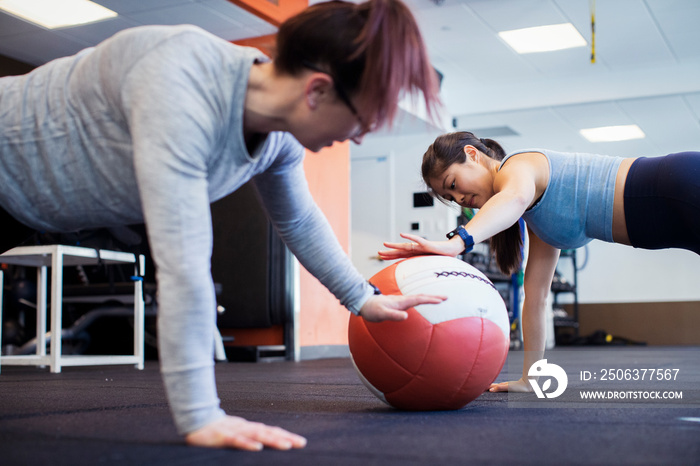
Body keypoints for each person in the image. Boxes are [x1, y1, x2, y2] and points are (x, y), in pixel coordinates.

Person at [0, 0, 446, 451]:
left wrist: (362, 298)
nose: (359, 137)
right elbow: (185, 264)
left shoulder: (279, 139)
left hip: (25, 208)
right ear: (317, 91)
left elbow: (297, 217)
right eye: (362, 121)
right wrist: (200, 416)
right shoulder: (181, 80)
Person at [379, 131, 700, 395]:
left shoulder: (518, 167)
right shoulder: (539, 214)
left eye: (452, 184)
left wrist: (455, 243)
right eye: (450, 198)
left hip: (679, 186)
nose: (459, 199)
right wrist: (531, 376)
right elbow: (536, 299)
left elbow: (513, 198)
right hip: (672, 215)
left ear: (473, 155)